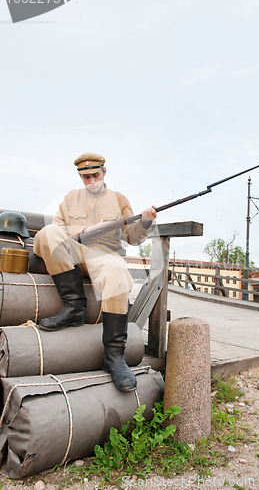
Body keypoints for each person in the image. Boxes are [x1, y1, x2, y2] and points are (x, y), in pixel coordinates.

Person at [33, 152, 157, 392]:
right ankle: (74, 308)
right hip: (74, 252)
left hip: (104, 255)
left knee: (117, 270)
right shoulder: (70, 198)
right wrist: (89, 229)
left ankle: (114, 357)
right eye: (86, 177)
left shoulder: (119, 199)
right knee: (47, 233)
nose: (91, 181)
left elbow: (131, 237)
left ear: (105, 172)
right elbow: (59, 229)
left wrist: (145, 222)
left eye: (95, 175)